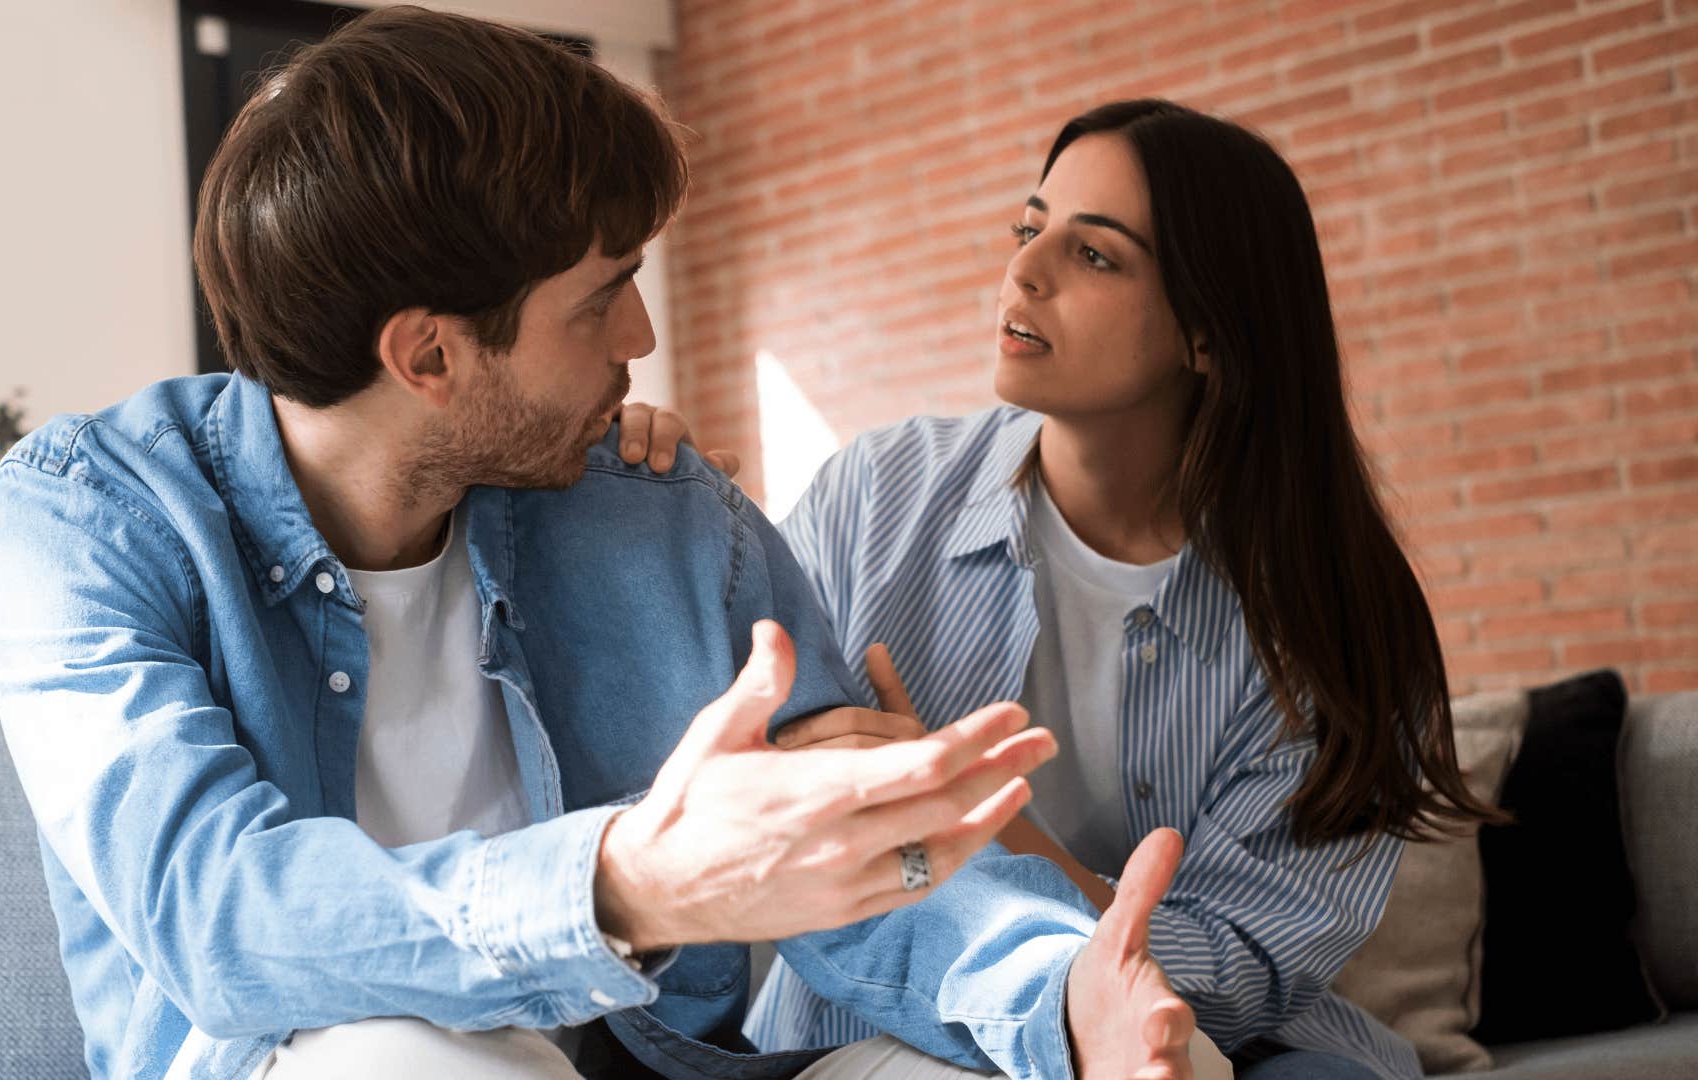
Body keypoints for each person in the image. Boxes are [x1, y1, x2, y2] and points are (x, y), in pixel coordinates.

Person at [0, 13, 1204, 1080]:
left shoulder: (655, 507)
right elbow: (217, 918)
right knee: (412, 1058)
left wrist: (1062, 988)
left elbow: (863, 858)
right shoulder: (87, 520)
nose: (643, 331)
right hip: (321, 1061)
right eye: (600, 294)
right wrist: (631, 882)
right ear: (431, 357)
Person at [623, 99, 1502, 1080]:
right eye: (1029, 228)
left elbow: (1243, 972)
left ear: (1209, 332)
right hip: (882, 1026)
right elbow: (714, 774)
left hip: (1223, 1047)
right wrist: (658, 518)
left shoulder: (1330, 624)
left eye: (1095, 256)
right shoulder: (879, 496)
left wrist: (976, 813)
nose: (1022, 271)